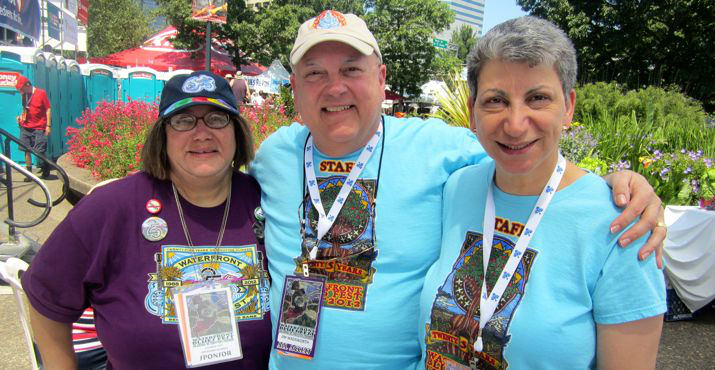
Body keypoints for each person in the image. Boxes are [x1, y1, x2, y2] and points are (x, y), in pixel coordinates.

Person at [250, 10, 665, 369]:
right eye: (314, 73)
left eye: (351, 69)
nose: (334, 86)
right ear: (296, 91)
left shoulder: (440, 151)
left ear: (380, 79)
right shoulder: (273, 157)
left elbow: (532, 166)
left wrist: (622, 184)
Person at [418, 16, 665, 369]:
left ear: (568, 106)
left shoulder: (621, 224)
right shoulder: (458, 187)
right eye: (495, 101)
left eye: (537, 98)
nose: (516, 124)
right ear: (472, 111)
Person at [21, 71, 271, 369]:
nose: (202, 133)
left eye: (217, 118)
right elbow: (46, 298)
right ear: (163, 134)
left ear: (237, 132)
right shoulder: (109, 208)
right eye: (183, 120)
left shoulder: (269, 204)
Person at [15, 75, 52, 180]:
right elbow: (25, 109)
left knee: (39, 151)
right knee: (26, 150)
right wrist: (21, 117)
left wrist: (48, 126)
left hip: (39, 127)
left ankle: (46, 167)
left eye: (21, 88)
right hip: (26, 126)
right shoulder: (24, 95)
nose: (20, 91)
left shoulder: (41, 93)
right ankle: (29, 174)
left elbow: (48, 109)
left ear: (27, 85)